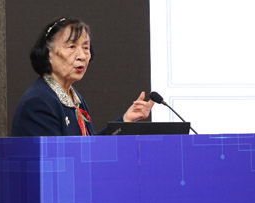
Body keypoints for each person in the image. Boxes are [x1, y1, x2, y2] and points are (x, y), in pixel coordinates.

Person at [10, 17, 154, 136]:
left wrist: (126, 120)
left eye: (86, 48)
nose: (82, 56)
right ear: (48, 54)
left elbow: (90, 147)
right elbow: (57, 157)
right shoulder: (39, 102)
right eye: (71, 47)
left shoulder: (75, 99)